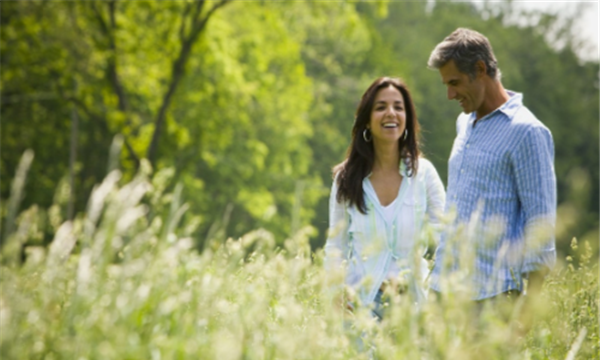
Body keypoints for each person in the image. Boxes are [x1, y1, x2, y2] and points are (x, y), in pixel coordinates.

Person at [427, 28, 557, 302]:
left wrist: (529, 308)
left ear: (480, 68)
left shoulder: (527, 132)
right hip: (443, 291)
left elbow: (540, 224)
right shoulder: (464, 123)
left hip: (491, 297)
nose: (450, 94)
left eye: (455, 82)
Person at [324, 77, 445, 319]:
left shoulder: (425, 174)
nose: (391, 113)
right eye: (380, 107)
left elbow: (449, 236)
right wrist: (336, 293)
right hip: (360, 306)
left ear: (407, 119)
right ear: (367, 120)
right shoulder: (346, 179)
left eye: (398, 107)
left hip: (414, 308)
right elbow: (336, 246)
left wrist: (439, 290)